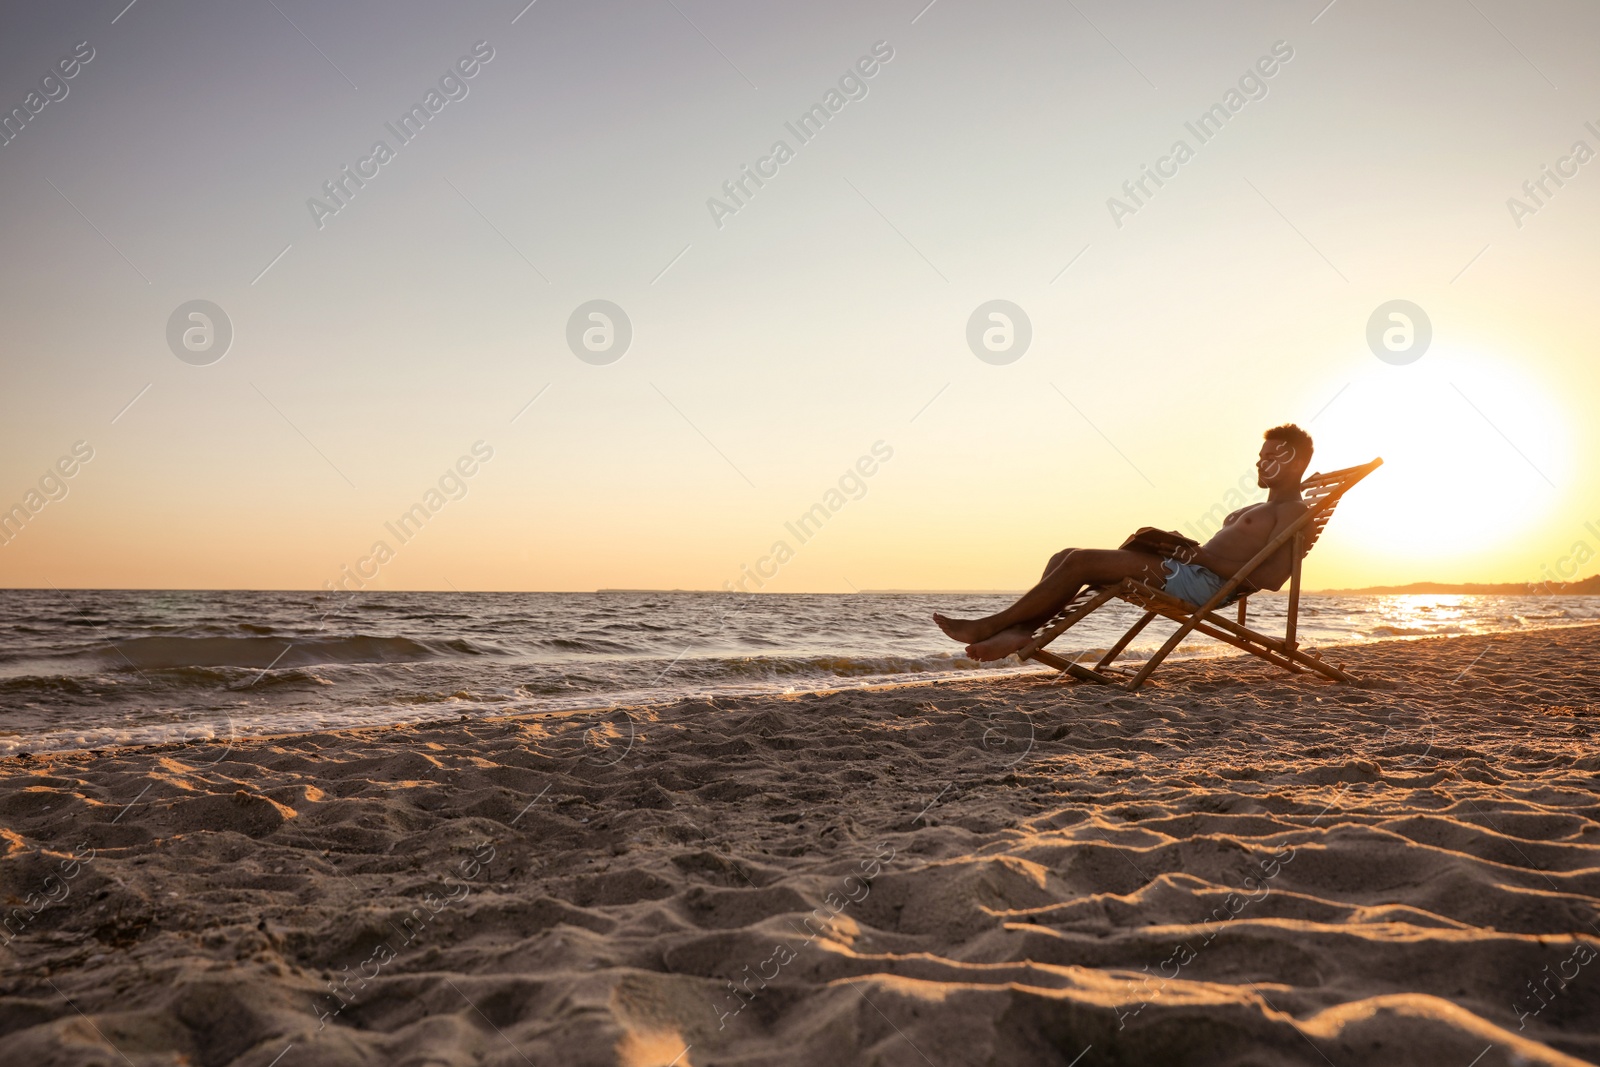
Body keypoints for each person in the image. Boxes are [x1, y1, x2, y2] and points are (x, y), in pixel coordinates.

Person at [934, 424, 1315, 661]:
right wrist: (1180, 546)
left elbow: (1270, 578)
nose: (1259, 464)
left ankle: (990, 627)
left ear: (1295, 463)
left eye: (1269, 458)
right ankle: (1019, 631)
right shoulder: (1260, 507)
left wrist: (1197, 556)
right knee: (1065, 555)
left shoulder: (1294, 511)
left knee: (1082, 561)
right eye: (1260, 457)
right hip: (1190, 569)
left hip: (1205, 585)